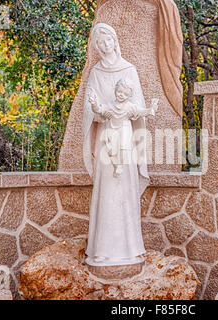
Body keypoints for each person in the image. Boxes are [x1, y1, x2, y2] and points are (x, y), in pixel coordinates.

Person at [83, 23, 155, 267]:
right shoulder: (95, 73)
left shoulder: (129, 70)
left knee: (124, 191)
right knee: (107, 193)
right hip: (106, 139)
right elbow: (91, 110)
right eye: (99, 43)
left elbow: (138, 109)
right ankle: (101, 250)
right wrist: (96, 108)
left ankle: (131, 249)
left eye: (107, 41)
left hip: (124, 140)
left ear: (115, 41)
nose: (104, 46)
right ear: (96, 46)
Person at [89, 78, 158, 177]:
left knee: (124, 148)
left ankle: (120, 165)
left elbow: (141, 112)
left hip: (124, 129)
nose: (121, 95)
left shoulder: (130, 107)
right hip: (111, 129)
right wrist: (94, 103)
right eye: (119, 91)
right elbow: (98, 110)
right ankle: (117, 165)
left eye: (125, 94)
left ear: (130, 96)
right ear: (115, 90)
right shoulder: (110, 106)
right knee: (111, 151)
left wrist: (151, 109)